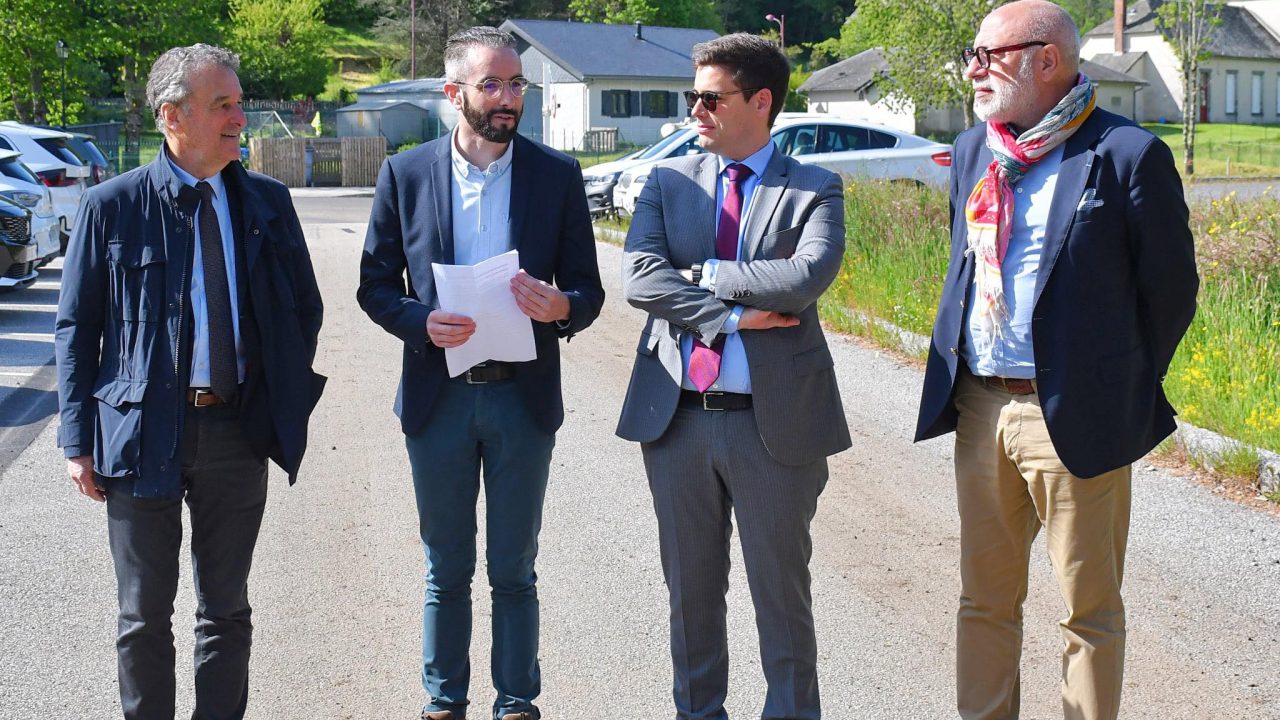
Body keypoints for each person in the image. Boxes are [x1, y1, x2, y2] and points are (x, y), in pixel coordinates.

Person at [914, 2, 1199, 718]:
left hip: (1074, 411)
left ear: (1048, 59)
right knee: (984, 599)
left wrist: (1114, 382)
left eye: (990, 56)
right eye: (972, 56)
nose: (974, 71)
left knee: (1088, 609)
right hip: (981, 404)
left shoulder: (1128, 154)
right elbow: (962, 262)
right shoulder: (979, 149)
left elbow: (1170, 294)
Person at [54, 44, 326, 720]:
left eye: (238, 103)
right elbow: (75, 327)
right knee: (143, 615)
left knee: (225, 610)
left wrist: (275, 395)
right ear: (172, 115)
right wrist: (74, 439)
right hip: (139, 435)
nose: (241, 118)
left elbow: (304, 309)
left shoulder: (267, 202)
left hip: (235, 430)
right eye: (224, 105)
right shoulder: (111, 207)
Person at [356, 26, 604, 720]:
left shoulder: (557, 176)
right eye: (491, 84)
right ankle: (444, 701)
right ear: (453, 92)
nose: (507, 98)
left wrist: (562, 307)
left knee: (514, 567)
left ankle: (516, 701)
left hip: (522, 401)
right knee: (447, 569)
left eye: (516, 84)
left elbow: (587, 291)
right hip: (439, 399)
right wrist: (418, 321)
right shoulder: (406, 175)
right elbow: (375, 285)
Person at [616, 32, 850, 720]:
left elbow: (805, 278)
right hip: (677, 418)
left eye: (710, 98)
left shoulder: (814, 187)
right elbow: (639, 278)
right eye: (694, 96)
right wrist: (733, 318)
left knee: (781, 599)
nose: (696, 111)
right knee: (689, 598)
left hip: (772, 426)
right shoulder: (667, 182)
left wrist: (709, 277)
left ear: (760, 101)